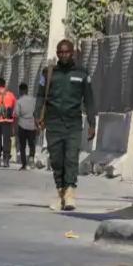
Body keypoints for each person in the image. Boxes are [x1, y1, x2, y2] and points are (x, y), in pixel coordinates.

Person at [35, 39, 96, 211]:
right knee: (56, 160)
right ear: (57, 53)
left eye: (66, 51)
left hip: (73, 124)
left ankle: (70, 193)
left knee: (71, 158)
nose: (63, 55)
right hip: (53, 123)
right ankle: (61, 192)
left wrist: (92, 123)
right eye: (60, 52)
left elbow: (89, 100)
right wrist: (36, 115)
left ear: (73, 53)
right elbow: (40, 96)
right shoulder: (48, 73)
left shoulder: (82, 73)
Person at [0, 78, 16, 168]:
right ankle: (6, 159)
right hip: (8, 121)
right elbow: (14, 110)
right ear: (4, 84)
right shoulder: (11, 95)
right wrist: (13, 121)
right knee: (7, 140)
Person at [15, 83, 37, 170]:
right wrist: (38, 125)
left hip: (22, 125)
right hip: (32, 125)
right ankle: (31, 157)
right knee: (32, 144)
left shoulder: (19, 101)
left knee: (22, 146)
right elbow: (36, 113)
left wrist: (15, 127)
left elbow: (16, 114)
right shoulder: (34, 100)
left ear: (20, 91)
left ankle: (24, 164)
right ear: (27, 90)